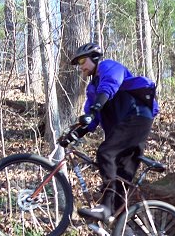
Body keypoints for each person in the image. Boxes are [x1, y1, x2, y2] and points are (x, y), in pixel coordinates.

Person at [66, 42, 159, 222]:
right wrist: (74, 133)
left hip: (136, 117)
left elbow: (110, 84)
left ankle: (105, 208)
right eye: (78, 64)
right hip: (131, 125)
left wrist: (95, 108)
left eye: (83, 61)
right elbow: (91, 118)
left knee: (106, 152)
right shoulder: (92, 89)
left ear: (94, 58)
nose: (81, 66)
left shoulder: (108, 66)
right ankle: (123, 229)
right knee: (121, 177)